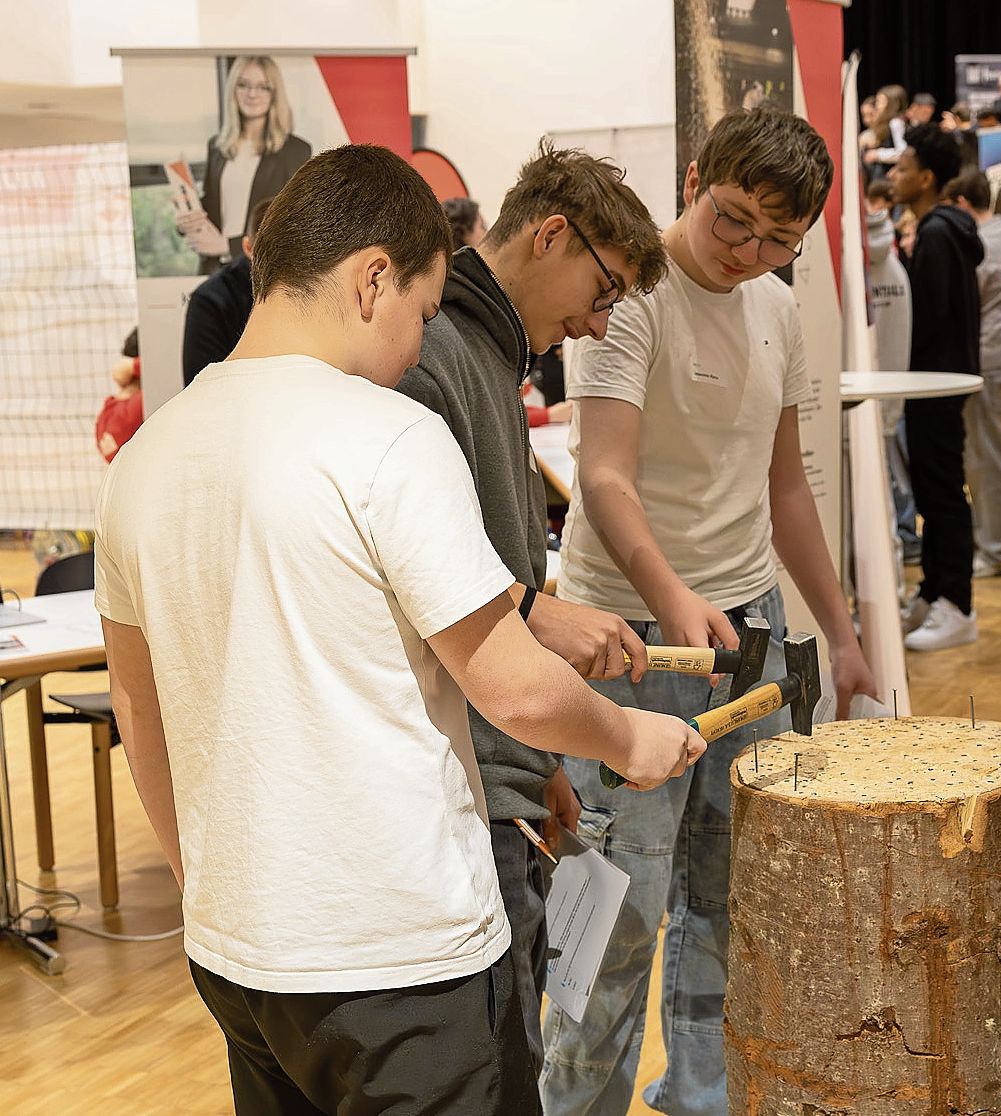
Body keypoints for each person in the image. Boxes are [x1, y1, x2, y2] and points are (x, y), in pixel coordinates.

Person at [95, 143, 703, 1116]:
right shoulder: (389, 435)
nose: (421, 349)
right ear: (372, 277)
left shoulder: (145, 457)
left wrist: (199, 875)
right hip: (401, 959)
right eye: (421, 314)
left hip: (240, 955)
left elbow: (140, 705)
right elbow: (513, 683)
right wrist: (634, 737)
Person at [542, 107, 878, 1116]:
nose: (749, 253)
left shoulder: (775, 307)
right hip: (625, 641)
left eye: (779, 239)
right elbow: (601, 477)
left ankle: (702, 1096)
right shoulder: (629, 295)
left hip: (751, 636)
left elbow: (784, 490)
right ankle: (572, 1103)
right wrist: (668, 597)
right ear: (695, 177)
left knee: (737, 899)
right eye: (733, 220)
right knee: (609, 908)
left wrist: (842, 632)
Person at [395, 141, 669, 1078]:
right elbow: (424, 589)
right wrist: (545, 631)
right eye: (604, 292)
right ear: (552, 235)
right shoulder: (432, 357)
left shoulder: (485, 354)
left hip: (498, 783)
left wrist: (536, 763)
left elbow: (485, 572)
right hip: (454, 800)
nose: (598, 325)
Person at [890, 123, 985, 651]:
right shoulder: (942, 230)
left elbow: (927, 317)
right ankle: (934, 589)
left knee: (943, 491)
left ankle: (958, 603)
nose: (894, 175)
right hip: (935, 382)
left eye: (903, 168)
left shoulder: (937, 233)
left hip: (935, 384)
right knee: (932, 488)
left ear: (927, 177)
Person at [947, 170, 1001, 579]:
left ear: (961, 203)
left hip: (990, 363)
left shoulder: (976, 244)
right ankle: (998, 543)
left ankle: (999, 550)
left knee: (990, 461)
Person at [181, 56, 311, 271]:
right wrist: (188, 218)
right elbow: (213, 205)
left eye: (263, 87)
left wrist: (229, 246)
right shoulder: (217, 146)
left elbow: (294, 224)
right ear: (233, 89)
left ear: (274, 93)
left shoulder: (295, 151)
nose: (252, 94)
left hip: (262, 274)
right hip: (214, 272)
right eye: (243, 85)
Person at [866, 178, 919, 564]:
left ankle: (902, 537)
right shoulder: (897, 270)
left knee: (883, 480)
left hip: (866, 393)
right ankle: (905, 537)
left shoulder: (861, 270)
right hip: (893, 388)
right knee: (895, 474)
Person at [182, 196, 271, 385]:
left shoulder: (316, 289)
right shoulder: (210, 300)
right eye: (270, 253)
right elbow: (200, 386)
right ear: (248, 248)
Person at [95, 328, 142, 462]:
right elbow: (161, 368)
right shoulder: (139, 403)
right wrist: (135, 366)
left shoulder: (107, 412)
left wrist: (132, 367)